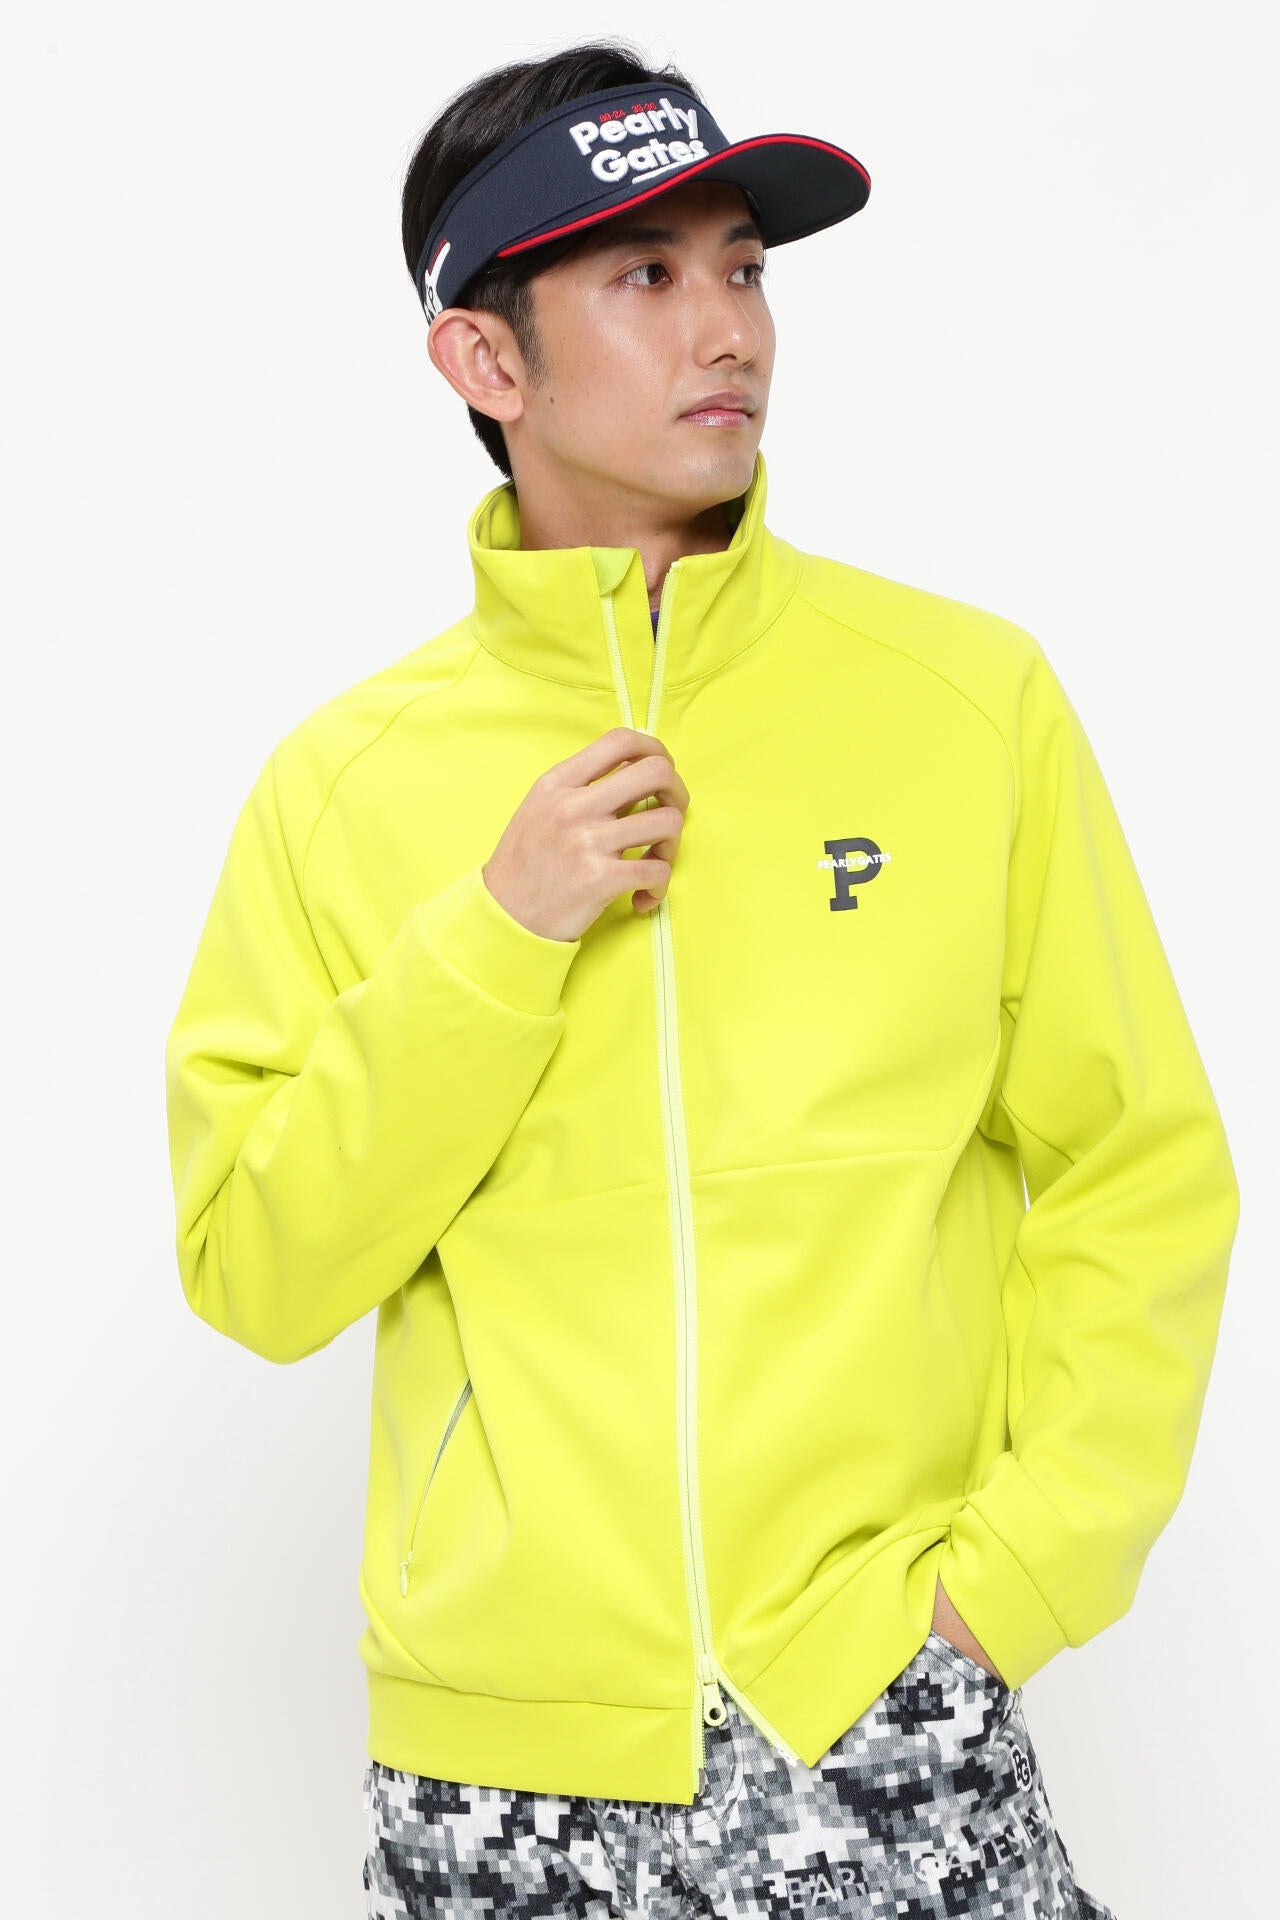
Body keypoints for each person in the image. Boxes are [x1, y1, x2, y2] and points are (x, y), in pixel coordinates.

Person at [163, 36, 1240, 1920]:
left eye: (743, 267)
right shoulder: (341, 786)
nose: (726, 328)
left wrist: (1012, 1582)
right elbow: (258, 1268)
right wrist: (496, 935)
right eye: (646, 276)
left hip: (881, 1711)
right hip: (504, 1768)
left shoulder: (963, 701)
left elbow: (1134, 1170)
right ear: (486, 361)